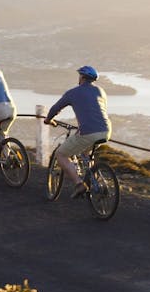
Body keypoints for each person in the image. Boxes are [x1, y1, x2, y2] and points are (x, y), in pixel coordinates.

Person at [44, 65, 112, 197]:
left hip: (89, 132)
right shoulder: (101, 91)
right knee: (86, 153)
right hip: (105, 130)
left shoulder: (73, 93)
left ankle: (79, 184)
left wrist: (48, 120)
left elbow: (55, 109)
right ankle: (94, 180)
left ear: (81, 77)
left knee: (61, 154)